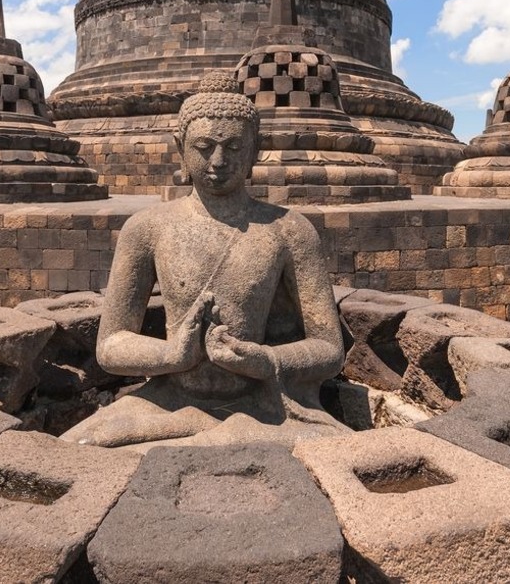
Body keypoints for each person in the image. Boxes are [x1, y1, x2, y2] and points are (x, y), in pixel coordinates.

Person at [61, 73, 347, 448]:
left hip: (261, 407)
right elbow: (111, 345)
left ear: (255, 151)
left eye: (234, 147)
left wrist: (266, 361)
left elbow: (329, 348)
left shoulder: (289, 231)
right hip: (169, 402)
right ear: (180, 148)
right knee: (81, 448)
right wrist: (171, 355)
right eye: (204, 147)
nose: (218, 161)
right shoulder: (147, 229)